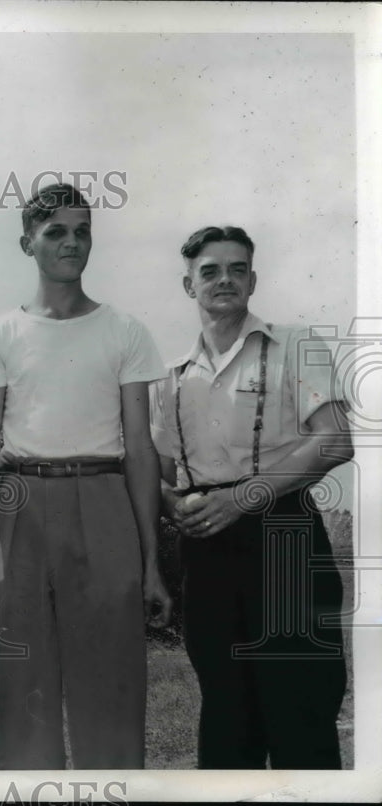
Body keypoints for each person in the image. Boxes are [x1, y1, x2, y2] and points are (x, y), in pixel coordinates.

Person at [0, 182, 172, 769]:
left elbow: (141, 450)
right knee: (19, 684)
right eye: (56, 231)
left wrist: (151, 562)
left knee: (111, 679)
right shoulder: (0, 334)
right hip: (20, 507)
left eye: (83, 231)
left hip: (103, 501)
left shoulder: (125, 330)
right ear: (27, 241)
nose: (72, 242)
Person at [150, 225, 351, 769]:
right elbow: (159, 475)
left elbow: (335, 440)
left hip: (284, 536)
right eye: (210, 271)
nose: (225, 280)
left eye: (238, 269)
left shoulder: (296, 343)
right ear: (188, 285)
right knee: (226, 714)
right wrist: (175, 507)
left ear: (253, 279)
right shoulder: (169, 377)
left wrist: (244, 497)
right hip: (207, 549)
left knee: (301, 710)